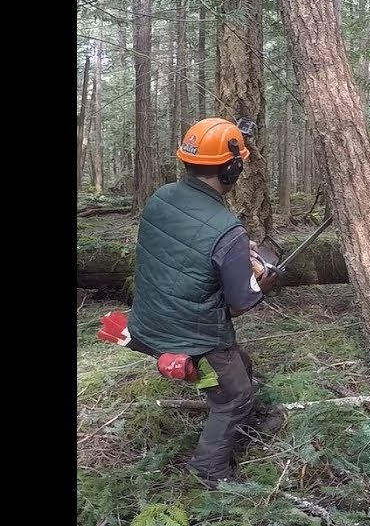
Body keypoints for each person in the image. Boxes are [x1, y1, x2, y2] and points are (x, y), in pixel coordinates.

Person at [125, 117, 281, 487]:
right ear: (232, 167)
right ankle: (208, 470)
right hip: (191, 334)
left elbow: (182, 250)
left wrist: (236, 254)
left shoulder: (161, 198)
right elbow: (241, 300)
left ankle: (243, 420)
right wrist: (262, 277)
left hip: (147, 322)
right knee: (235, 396)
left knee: (240, 364)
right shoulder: (225, 227)